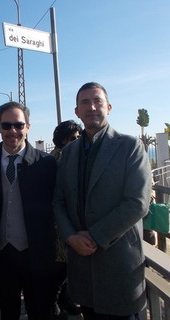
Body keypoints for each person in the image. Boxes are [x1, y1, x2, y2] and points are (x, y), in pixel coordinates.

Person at [53, 82, 152, 320]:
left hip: (119, 266)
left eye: (97, 101)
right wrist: (71, 237)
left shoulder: (130, 147)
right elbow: (59, 201)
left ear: (108, 107)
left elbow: (137, 202)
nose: (92, 107)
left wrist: (94, 236)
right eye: (85, 102)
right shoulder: (69, 153)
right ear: (77, 111)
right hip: (82, 268)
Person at [0, 101, 57, 320]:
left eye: (19, 125)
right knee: (7, 314)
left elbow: (58, 208)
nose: (13, 130)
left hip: (39, 258)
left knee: (42, 313)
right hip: (2, 258)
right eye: (7, 125)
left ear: (28, 127)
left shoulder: (47, 164)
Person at [51, 120, 82, 319]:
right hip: (59, 229)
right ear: (62, 140)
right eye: (72, 138)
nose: (76, 141)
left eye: (79, 138)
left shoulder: (69, 157)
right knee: (59, 274)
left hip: (67, 228)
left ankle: (65, 303)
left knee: (66, 272)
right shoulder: (58, 160)